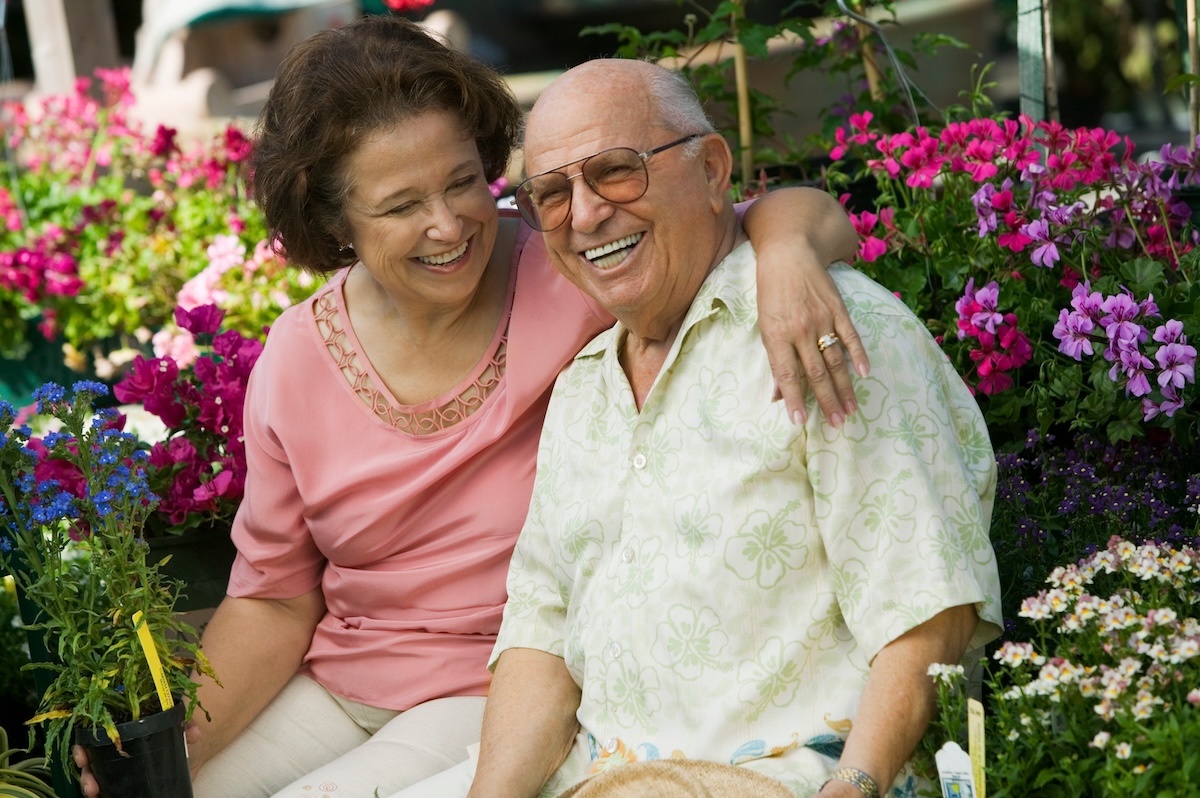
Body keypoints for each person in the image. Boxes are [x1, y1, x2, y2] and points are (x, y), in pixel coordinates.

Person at [74, 14, 867, 798]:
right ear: (332, 221)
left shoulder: (571, 270)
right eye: (400, 206)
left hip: (501, 687)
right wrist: (177, 747)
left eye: (463, 181)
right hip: (337, 686)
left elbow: (776, 215)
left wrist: (788, 253)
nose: (448, 225)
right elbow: (276, 600)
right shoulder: (297, 357)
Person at [390, 58, 1003, 798]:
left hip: (787, 777)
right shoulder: (585, 385)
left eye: (616, 172)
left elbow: (927, 609)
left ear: (713, 170)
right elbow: (541, 641)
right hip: (595, 778)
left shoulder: (825, 328)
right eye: (552, 194)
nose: (583, 216)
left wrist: (859, 784)